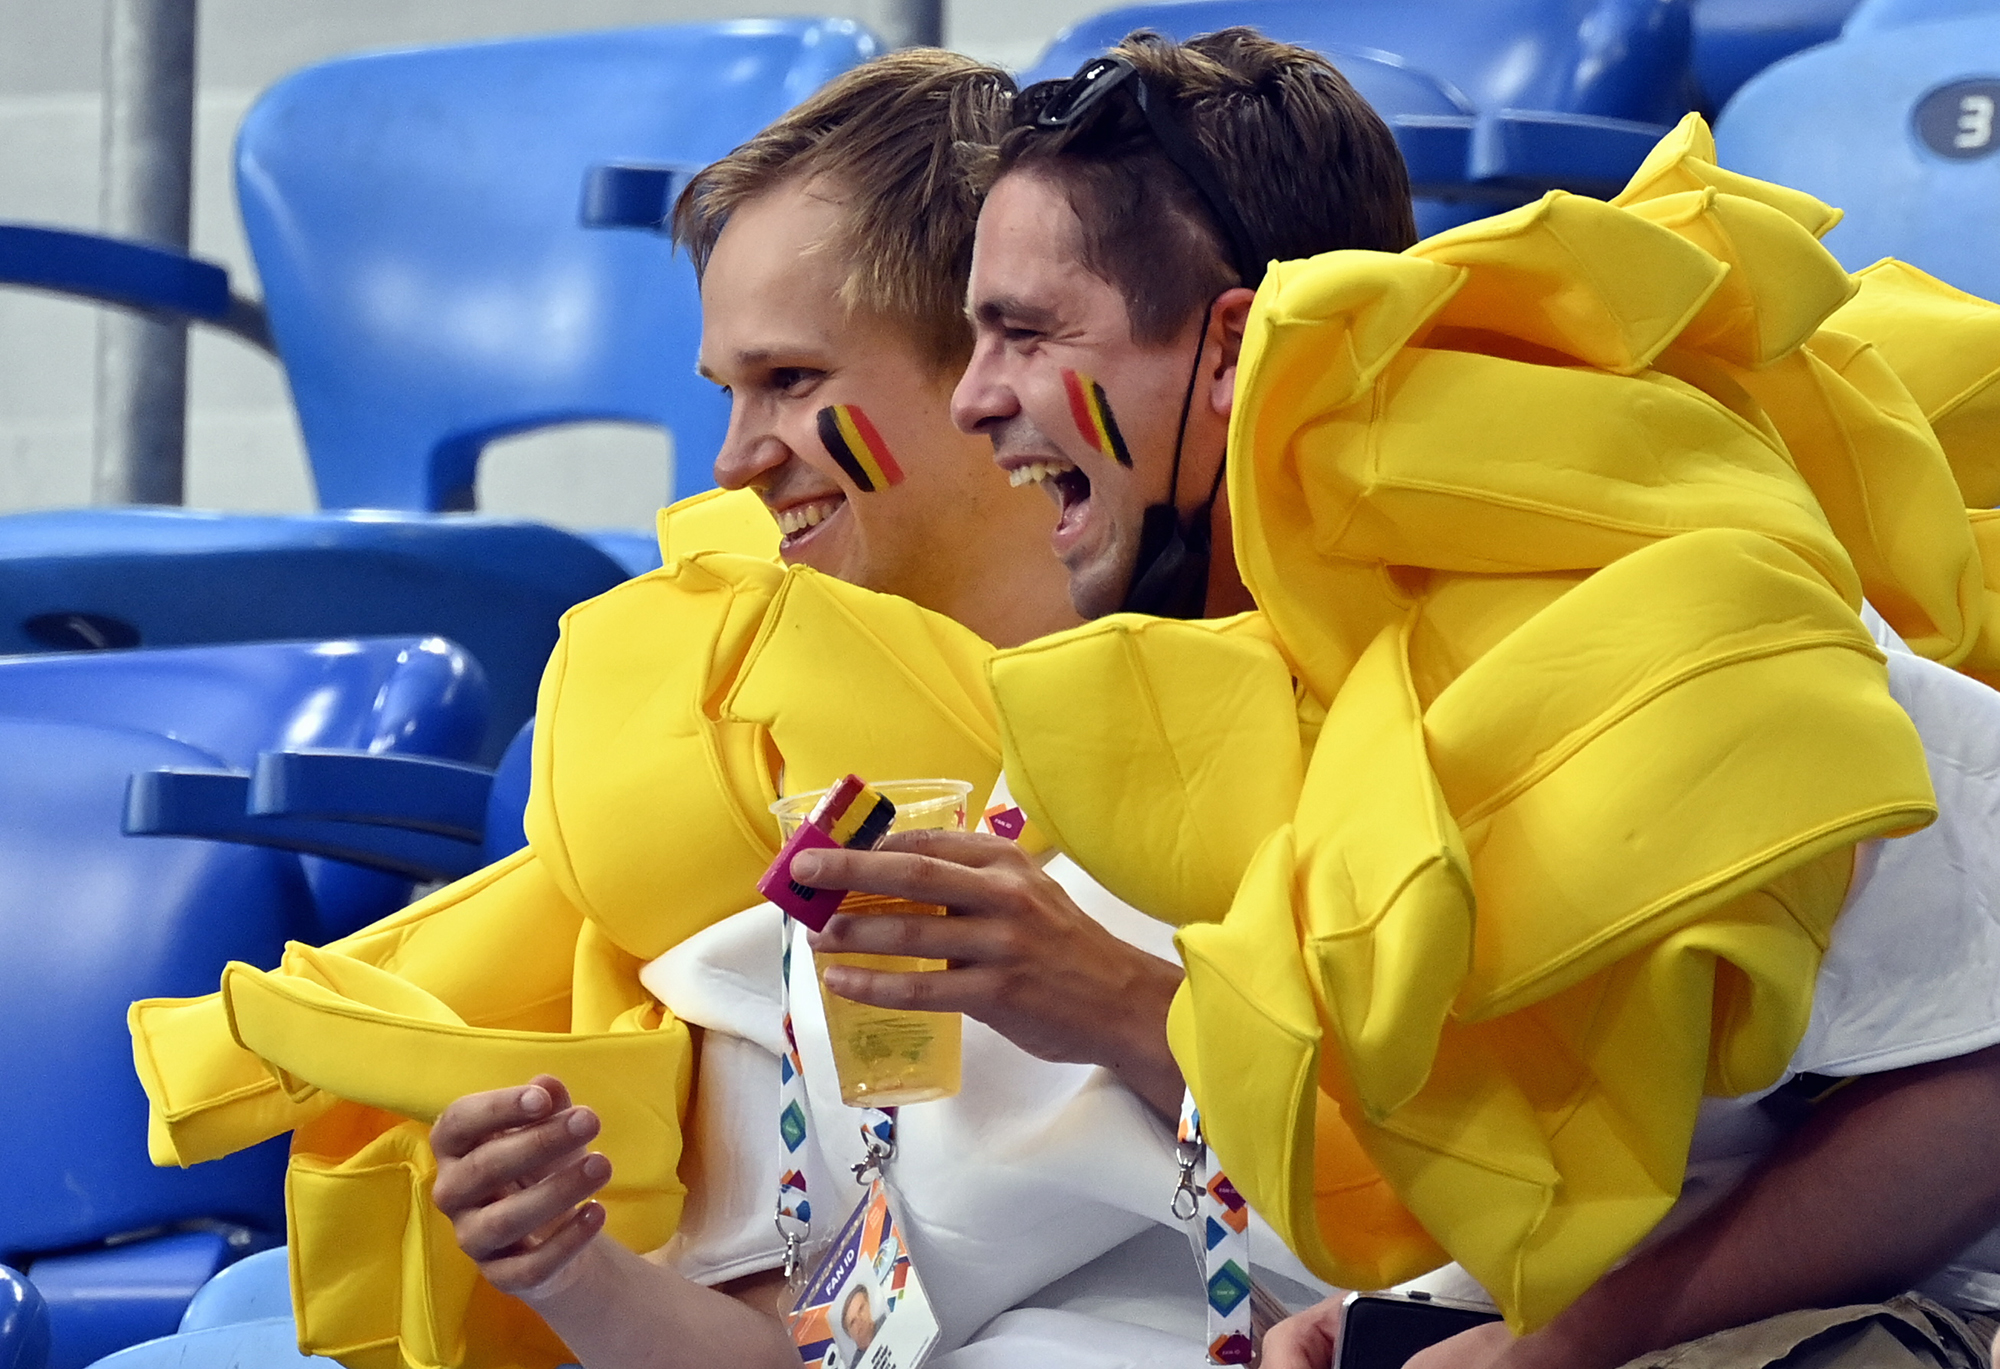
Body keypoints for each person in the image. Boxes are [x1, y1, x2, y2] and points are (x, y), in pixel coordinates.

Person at [802, 26, 2000, 1369]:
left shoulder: (1643, 605)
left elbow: (1982, 1084)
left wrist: (1543, 1352)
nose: (974, 399)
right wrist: (1395, 1330)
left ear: (1231, 351)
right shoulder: (1243, 697)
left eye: (1023, 333)